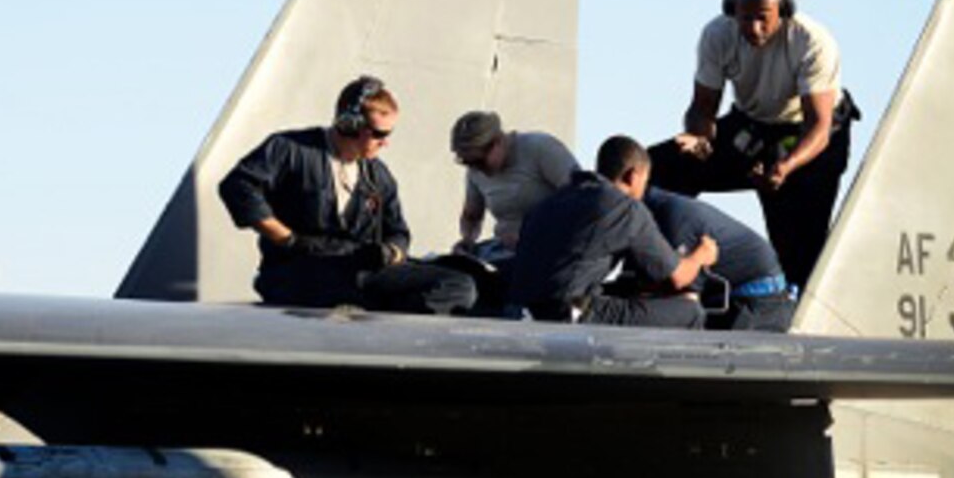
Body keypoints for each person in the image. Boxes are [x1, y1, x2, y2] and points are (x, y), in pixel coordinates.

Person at [647, 0, 857, 290]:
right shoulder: (718, 35)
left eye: (763, 19)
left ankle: (797, 303)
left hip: (808, 137)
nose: (754, 29)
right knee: (656, 168)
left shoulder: (811, 41)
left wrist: (785, 167)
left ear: (783, 12)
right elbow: (702, 108)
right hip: (752, 127)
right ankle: (659, 267)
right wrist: (700, 138)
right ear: (733, 11)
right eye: (745, 19)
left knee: (800, 249)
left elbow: (819, 126)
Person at [218, 77, 476, 314]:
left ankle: (381, 329)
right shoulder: (291, 149)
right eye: (379, 134)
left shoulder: (378, 176)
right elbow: (238, 186)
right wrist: (288, 239)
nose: (385, 143)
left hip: (356, 269)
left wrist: (392, 253)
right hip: (299, 270)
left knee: (459, 284)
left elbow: (397, 230)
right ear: (350, 124)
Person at [507, 135, 718, 328]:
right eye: (645, 182)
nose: (644, 191)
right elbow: (678, 277)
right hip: (569, 315)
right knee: (690, 309)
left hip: (521, 311)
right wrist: (702, 255)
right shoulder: (625, 208)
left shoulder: (551, 202)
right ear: (632, 176)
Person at [642, 187, 795, 332]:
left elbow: (684, 299)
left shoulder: (675, 219)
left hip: (757, 304)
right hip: (734, 295)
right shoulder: (653, 209)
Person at [450, 111, 582, 256]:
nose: (477, 169)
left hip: (550, 250)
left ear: (498, 141)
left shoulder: (539, 148)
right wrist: (468, 241)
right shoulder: (475, 173)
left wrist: (537, 235)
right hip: (505, 252)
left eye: (480, 162)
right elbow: (472, 216)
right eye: (468, 163)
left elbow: (580, 196)